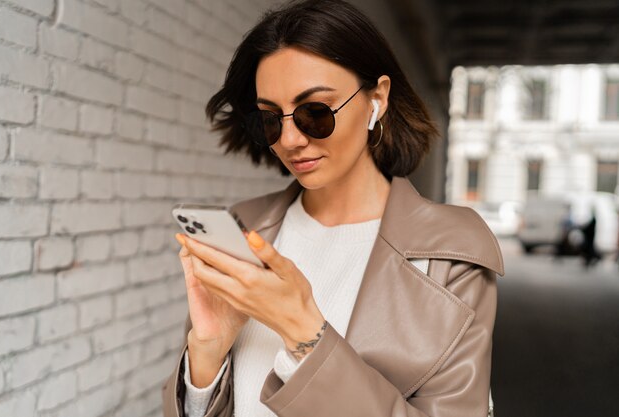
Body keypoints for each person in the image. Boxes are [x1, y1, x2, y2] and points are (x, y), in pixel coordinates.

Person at [161, 1, 504, 416]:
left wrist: (304, 333)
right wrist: (208, 354)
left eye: (314, 113)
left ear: (377, 99)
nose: (289, 139)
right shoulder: (247, 228)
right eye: (271, 119)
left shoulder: (452, 251)